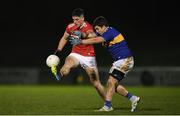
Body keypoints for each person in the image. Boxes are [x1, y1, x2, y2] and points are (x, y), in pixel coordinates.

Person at [69, 16, 140, 112]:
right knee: (112, 85)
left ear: (103, 26)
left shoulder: (109, 32)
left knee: (111, 82)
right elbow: (92, 35)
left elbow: (96, 40)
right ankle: (133, 98)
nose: (97, 31)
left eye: (98, 28)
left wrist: (81, 41)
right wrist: (81, 34)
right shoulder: (103, 32)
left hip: (125, 59)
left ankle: (107, 106)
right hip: (119, 61)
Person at [52, 8, 106, 101]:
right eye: (73, 19)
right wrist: (58, 51)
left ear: (82, 18)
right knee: (67, 63)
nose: (75, 21)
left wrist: (82, 34)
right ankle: (60, 74)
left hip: (88, 56)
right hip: (75, 54)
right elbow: (64, 38)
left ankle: (108, 103)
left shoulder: (87, 26)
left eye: (77, 19)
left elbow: (93, 35)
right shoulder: (70, 27)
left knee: (96, 83)